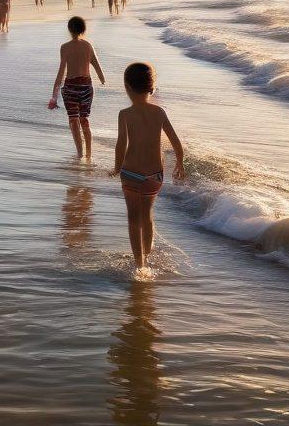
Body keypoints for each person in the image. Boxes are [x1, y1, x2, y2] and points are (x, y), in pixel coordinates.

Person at [111, 62, 186, 270]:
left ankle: (140, 264)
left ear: (126, 86)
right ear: (151, 87)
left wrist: (117, 168)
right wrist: (179, 162)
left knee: (133, 219)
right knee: (147, 216)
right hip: (155, 176)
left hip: (130, 174)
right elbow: (176, 143)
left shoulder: (125, 114)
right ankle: (147, 253)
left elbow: (121, 145)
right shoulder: (159, 112)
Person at [48, 15, 105, 160]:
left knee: (73, 120)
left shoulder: (65, 47)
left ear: (69, 29)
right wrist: (102, 79)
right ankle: (89, 154)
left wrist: (54, 95)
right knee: (84, 120)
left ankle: (80, 154)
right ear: (83, 29)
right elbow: (96, 65)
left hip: (71, 87)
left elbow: (61, 72)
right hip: (86, 86)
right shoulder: (88, 45)